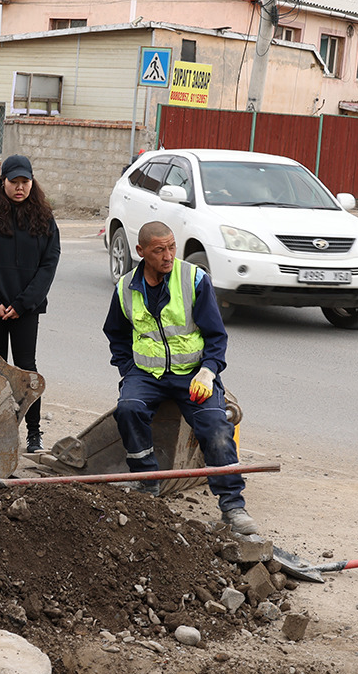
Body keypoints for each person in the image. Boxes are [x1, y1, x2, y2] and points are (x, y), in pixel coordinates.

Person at [103, 220, 260, 538]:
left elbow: (216, 336)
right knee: (128, 409)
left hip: (193, 374)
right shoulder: (124, 289)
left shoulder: (193, 279)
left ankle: (232, 506)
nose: (168, 255)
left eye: (171, 247)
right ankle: (148, 484)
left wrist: (208, 370)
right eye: (159, 250)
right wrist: (127, 371)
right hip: (147, 375)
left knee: (215, 428)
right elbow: (116, 335)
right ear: (141, 252)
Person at [0, 154, 61, 453]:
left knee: (26, 368)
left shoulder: (44, 219)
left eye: (25, 182)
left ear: (32, 182)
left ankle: (34, 433)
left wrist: (22, 304)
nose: (20, 188)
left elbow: (49, 265)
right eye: (14, 182)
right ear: (2, 182)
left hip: (25, 310)